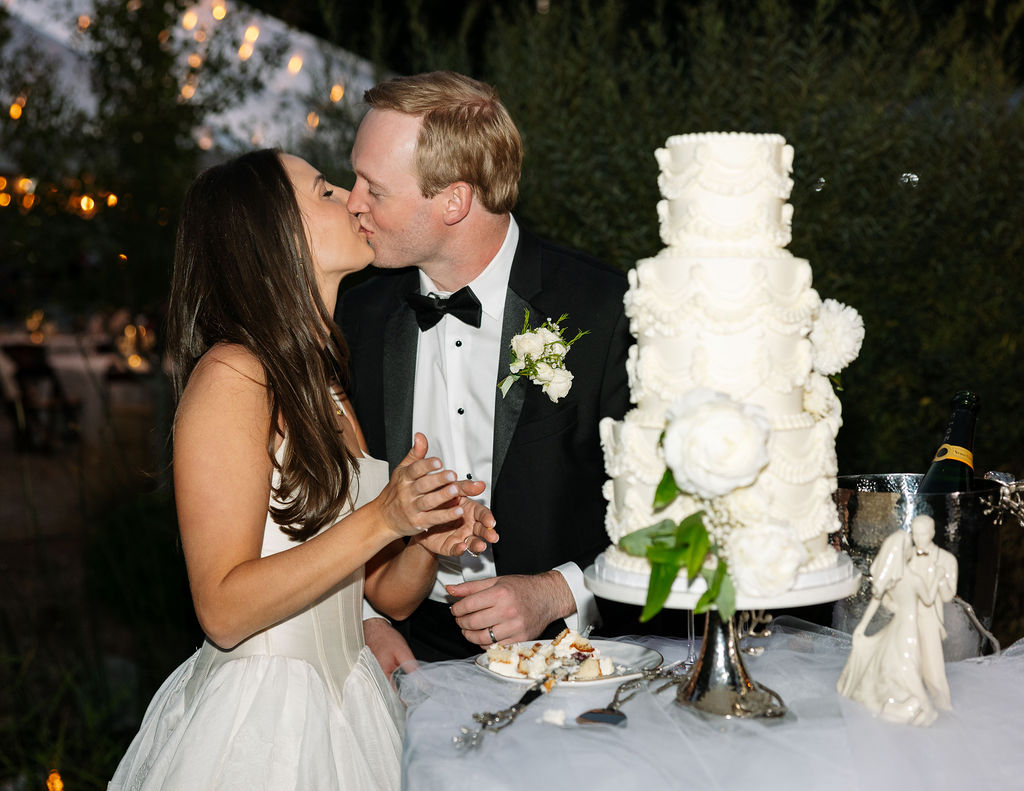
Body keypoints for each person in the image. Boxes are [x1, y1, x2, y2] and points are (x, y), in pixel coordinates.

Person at [108, 149, 498, 790]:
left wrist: (427, 536)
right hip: (263, 722)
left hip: (350, 697)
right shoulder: (234, 375)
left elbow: (384, 595)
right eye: (323, 191)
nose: (350, 197)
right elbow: (223, 610)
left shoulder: (327, 386)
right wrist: (382, 517)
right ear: (272, 239)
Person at [336, 71, 632, 665]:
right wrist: (365, 621)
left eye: (375, 188)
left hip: (568, 653)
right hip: (408, 646)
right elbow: (334, 502)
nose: (352, 202)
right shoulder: (355, 312)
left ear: (455, 199)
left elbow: (671, 513)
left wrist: (558, 592)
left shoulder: (604, 310)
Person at [836, 515, 956, 726]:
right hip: (906, 623)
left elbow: (946, 597)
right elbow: (889, 598)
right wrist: (898, 607)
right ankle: (916, 707)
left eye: (923, 535)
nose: (918, 540)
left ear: (932, 533)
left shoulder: (945, 559)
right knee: (904, 666)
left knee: (931, 670)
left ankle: (943, 711)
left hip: (927, 622)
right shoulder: (907, 568)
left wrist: (940, 578)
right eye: (915, 535)